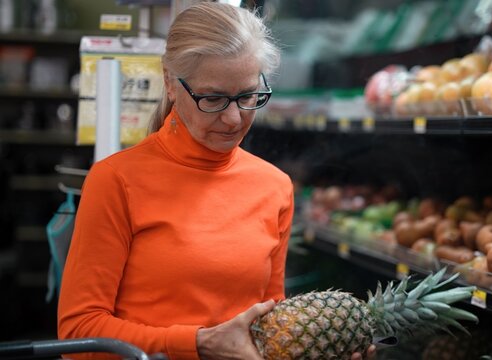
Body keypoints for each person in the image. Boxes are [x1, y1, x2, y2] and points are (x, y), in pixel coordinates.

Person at [58, 2, 375, 359]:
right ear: (171, 83)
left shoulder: (274, 187)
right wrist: (198, 343)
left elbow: (271, 328)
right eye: (213, 98)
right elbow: (78, 333)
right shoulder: (116, 181)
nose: (233, 118)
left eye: (248, 96)